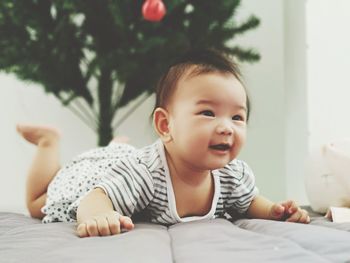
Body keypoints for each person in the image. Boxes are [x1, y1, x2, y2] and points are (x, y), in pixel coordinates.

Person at [17, 49, 310, 238]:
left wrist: (273, 211)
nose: (226, 127)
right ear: (165, 125)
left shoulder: (231, 174)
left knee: (122, 156)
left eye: (237, 117)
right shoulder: (146, 174)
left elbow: (247, 203)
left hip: (127, 164)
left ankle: (116, 145)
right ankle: (48, 143)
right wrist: (99, 215)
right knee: (37, 204)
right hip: (95, 179)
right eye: (208, 113)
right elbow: (96, 197)